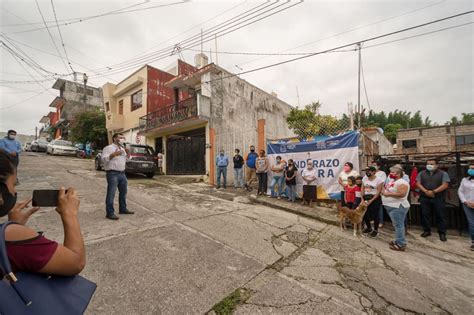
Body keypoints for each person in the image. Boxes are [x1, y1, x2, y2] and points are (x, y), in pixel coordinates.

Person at [0, 151, 85, 275]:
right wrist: (69, 214)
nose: (14, 191)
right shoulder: (12, 236)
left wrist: (14, 224)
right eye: (13, 184)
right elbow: (76, 263)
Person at [416, 159, 450, 242]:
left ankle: (442, 233)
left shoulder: (443, 173)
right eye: (428, 164)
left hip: (438, 198)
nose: (429, 165)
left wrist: (434, 191)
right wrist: (426, 191)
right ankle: (427, 231)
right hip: (424, 197)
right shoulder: (422, 173)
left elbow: (445, 185)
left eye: (432, 164)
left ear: (436, 165)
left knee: (440, 215)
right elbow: (418, 183)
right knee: (425, 214)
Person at [102, 133, 134, 220]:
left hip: (122, 174)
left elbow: (127, 159)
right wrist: (115, 154)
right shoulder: (108, 148)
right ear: (115, 139)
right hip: (112, 173)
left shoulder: (122, 149)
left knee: (123, 193)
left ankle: (123, 209)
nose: (122, 139)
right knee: (111, 193)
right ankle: (110, 213)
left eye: (123, 137)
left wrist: (128, 153)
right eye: (120, 137)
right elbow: (104, 159)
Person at [382, 165, 410, 251]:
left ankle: (401, 244)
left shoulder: (402, 182)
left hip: (398, 207)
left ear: (398, 174)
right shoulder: (394, 181)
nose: (390, 174)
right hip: (391, 206)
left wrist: (388, 194)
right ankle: (398, 240)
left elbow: (402, 194)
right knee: (397, 225)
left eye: (392, 172)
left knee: (399, 225)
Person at [361, 166, 384, 238]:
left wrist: (371, 200)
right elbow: (362, 189)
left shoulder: (379, 180)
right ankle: (369, 227)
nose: (367, 172)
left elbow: (378, 191)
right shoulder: (364, 178)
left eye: (369, 171)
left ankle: (375, 230)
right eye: (366, 171)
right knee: (365, 214)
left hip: (375, 198)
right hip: (366, 198)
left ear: (374, 172)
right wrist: (362, 199)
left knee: (375, 215)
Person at [458, 163, 474, 251]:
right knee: (472, 223)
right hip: (467, 204)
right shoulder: (464, 180)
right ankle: (473, 241)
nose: (472, 170)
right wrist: (465, 201)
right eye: (470, 168)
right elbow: (460, 191)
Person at [371, 160, 387, 228]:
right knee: (372, 207)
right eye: (372, 165)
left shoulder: (382, 173)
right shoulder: (371, 172)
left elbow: (383, 182)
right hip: (371, 192)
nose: (373, 166)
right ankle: (374, 219)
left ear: (379, 166)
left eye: (375, 165)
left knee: (379, 207)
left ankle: (381, 221)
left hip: (378, 191)